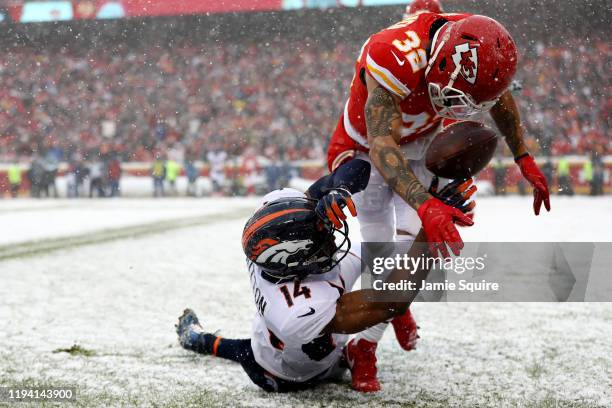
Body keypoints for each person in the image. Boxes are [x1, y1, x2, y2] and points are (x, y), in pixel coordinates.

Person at [176, 159, 475, 393]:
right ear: (297, 260)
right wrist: (428, 229)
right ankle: (353, 354)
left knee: (386, 254)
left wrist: (337, 189)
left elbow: (358, 170)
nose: (332, 237)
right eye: (322, 238)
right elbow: (390, 300)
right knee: (248, 353)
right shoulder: (297, 312)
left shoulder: (270, 228)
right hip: (288, 375)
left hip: (270, 338)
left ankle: (200, 339)